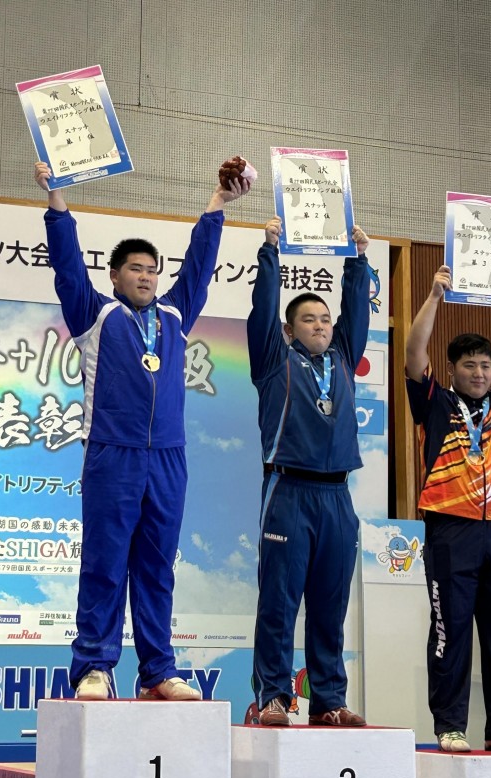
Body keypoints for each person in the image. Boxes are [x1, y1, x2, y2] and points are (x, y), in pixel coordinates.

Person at [34, 161, 250, 700]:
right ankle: (94, 667)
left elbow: (198, 269)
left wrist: (217, 204)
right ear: (114, 276)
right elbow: (66, 266)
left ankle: (157, 670)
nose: (147, 277)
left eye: (153, 269)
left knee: (157, 567)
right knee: (105, 563)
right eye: (135, 268)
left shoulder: (175, 315)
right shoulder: (95, 315)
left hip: (169, 458)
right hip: (113, 452)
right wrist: (57, 201)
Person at [404, 264, 491, 753]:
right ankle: (450, 725)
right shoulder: (434, 402)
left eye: (485, 365)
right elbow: (414, 353)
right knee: (452, 632)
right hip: (451, 532)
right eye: (469, 365)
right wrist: (434, 296)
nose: (479, 373)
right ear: (453, 370)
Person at [249, 216, 371, 727]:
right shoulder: (273, 360)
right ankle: (273, 695)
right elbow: (263, 309)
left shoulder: (343, 358)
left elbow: (356, 314)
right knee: (279, 602)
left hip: (337, 497)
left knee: (329, 604)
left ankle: (329, 700)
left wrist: (358, 261)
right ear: (289, 329)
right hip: (288, 489)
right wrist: (270, 251)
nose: (320, 326)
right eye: (308, 320)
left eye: (324, 319)